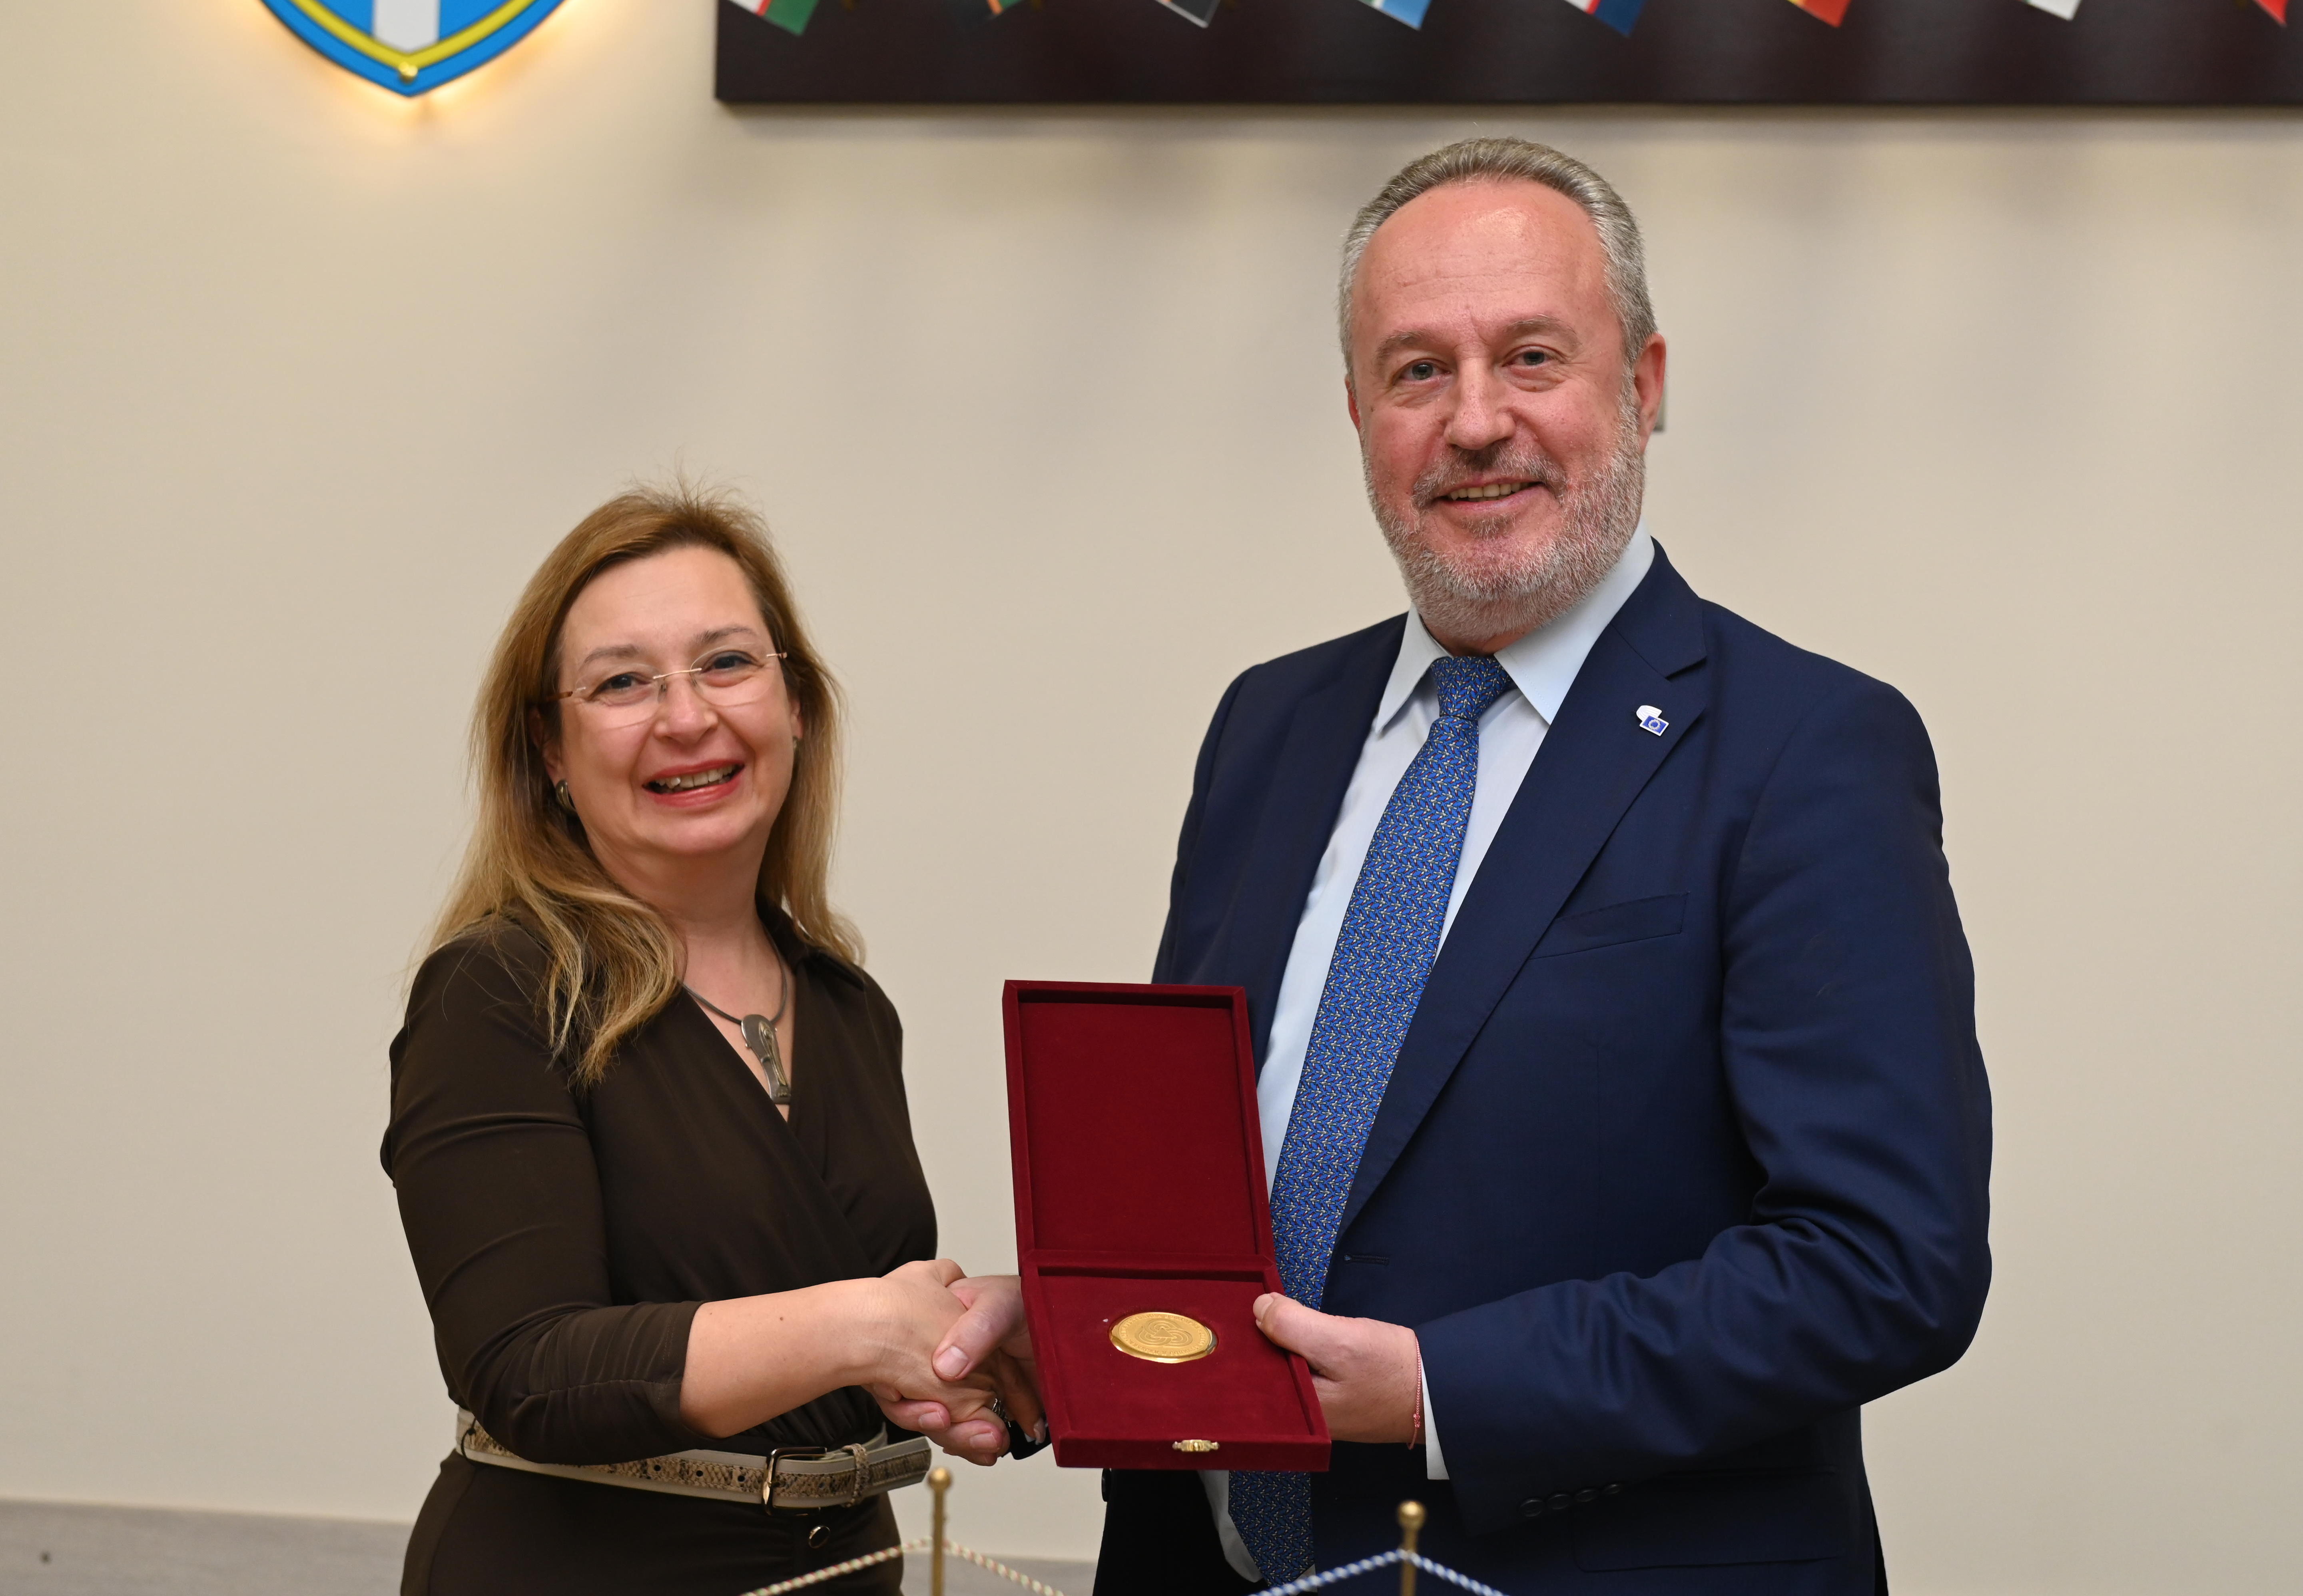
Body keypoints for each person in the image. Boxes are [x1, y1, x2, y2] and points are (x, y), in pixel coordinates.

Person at [1086, 139, 1994, 1595]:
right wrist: (1079, 1323)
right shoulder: (1267, 724)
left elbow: (1884, 1265)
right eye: (1416, 371)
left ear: (1641, 384)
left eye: (1529, 356)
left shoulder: (1807, 748)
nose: (1474, 422)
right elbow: (1205, 1175)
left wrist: (1442, 1394)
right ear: (1357, 413)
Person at [385, 486, 1038, 1596]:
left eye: (727, 663)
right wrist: (862, 1324)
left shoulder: (848, 1007)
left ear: (797, 706)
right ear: (549, 747)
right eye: (622, 683)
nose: (686, 718)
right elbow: (526, 1370)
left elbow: (825, 1350)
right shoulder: (498, 989)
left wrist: (967, 1346)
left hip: (843, 1570)